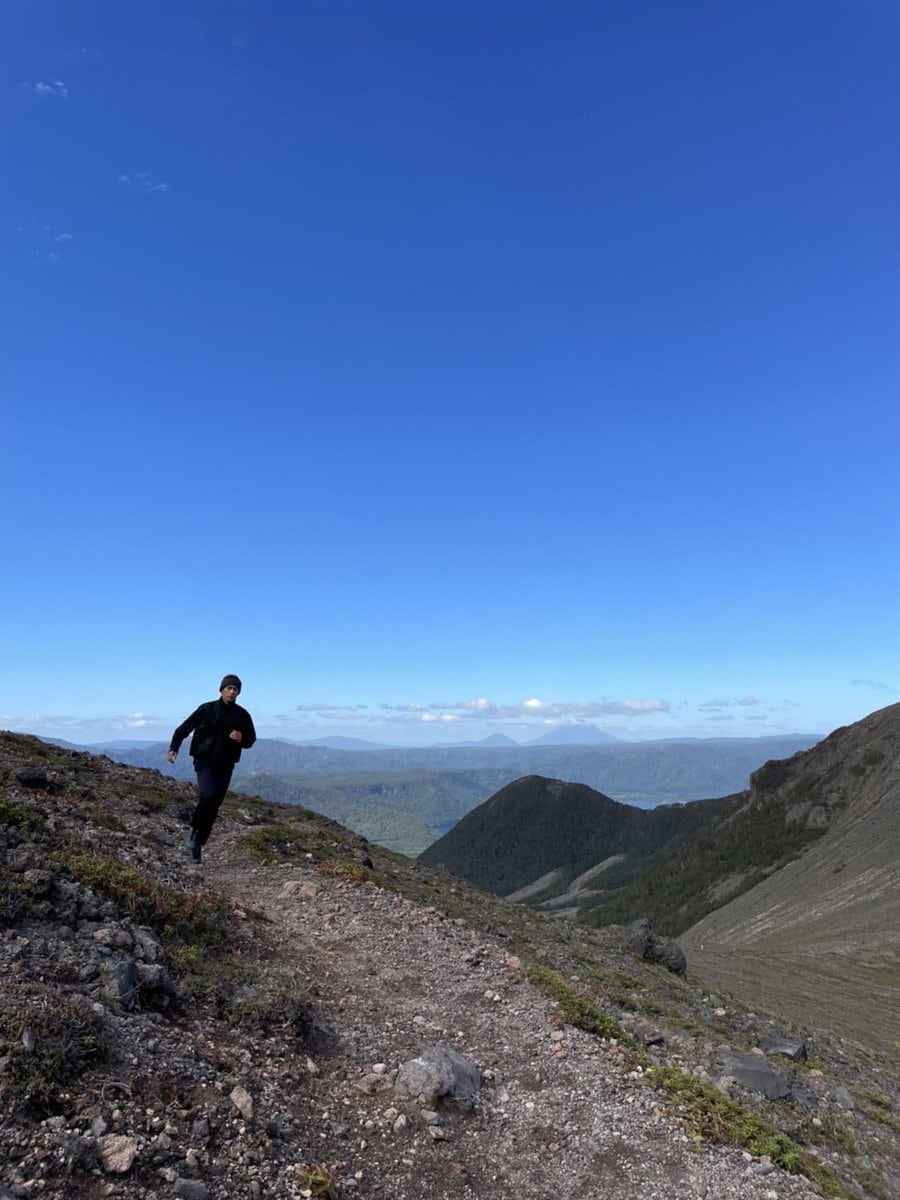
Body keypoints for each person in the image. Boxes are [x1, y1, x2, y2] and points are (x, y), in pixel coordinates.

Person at [167, 674, 256, 864]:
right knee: (208, 795)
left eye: (235, 689)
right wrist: (174, 748)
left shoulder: (242, 715)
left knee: (214, 804)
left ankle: (197, 843)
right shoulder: (206, 709)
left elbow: (251, 740)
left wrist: (241, 737)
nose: (232, 692)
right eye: (229, 688)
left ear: (239, 692)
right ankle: (193, 834)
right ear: (221, 689)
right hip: (204, 760)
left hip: (226, 763)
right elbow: (184, 728)